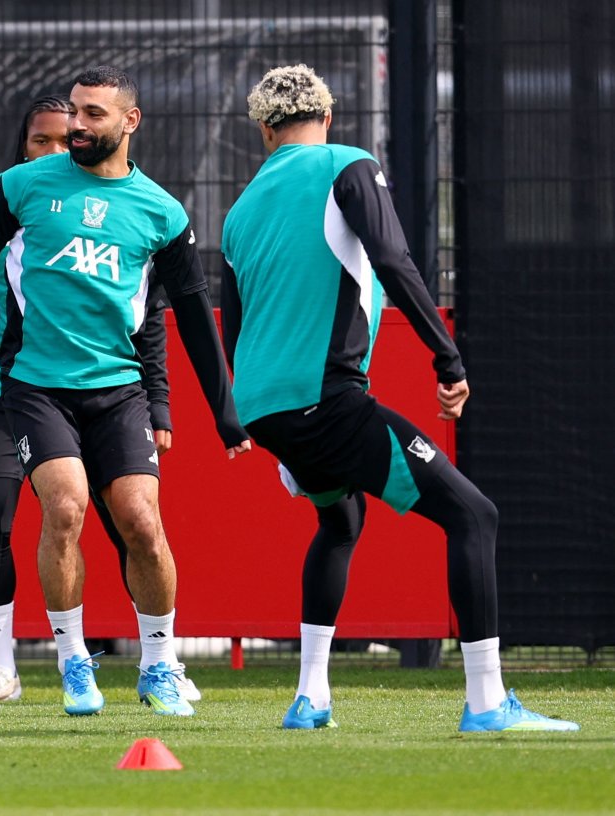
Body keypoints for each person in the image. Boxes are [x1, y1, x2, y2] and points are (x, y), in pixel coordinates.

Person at [220, 64, 579, 733]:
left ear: (265, 132)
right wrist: (448, 357)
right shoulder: (348, 164)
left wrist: (271, 427)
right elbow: (394, 259)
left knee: (340, 522)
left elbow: (233, 330)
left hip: (267, 409)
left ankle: (311, 698)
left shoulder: (238, 212)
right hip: (324, 400)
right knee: (474, 516)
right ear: (328, 118)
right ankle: (487, 702)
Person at [0, 66, 251, 718]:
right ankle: (73, 662)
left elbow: (188, 315)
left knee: (141, 523)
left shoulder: (163, 212)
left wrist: (224, 413)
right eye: (75, 112)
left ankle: (159, 667)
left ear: (130, 121)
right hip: (34, 386)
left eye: (93, 114)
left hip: (119, 391)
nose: (79, 125)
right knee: (64, 509)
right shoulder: (20, 188)